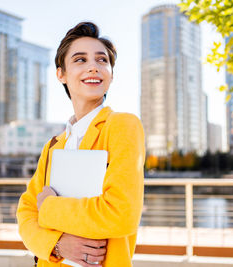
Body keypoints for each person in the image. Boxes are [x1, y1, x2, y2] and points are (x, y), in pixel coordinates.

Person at [17, 22, 145, 267]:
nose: (93, 68)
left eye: (102, 60)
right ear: (61, 74)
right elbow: (25, 214)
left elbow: (121, 214)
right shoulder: (53, 145)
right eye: (80, 60)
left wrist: (49, 206)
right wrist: (56, 244)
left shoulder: (122, 125)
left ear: (111, 74)